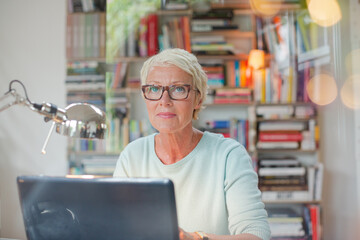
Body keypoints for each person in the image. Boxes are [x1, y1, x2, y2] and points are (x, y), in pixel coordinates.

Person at [113, 48, 271, 240]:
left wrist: (195, 238)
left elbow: (256, 235)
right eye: (154, 88)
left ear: (198, 98)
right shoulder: (132, 156)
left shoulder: (229, 155)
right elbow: (119, 229)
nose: (164, 101)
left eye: (178, 89)